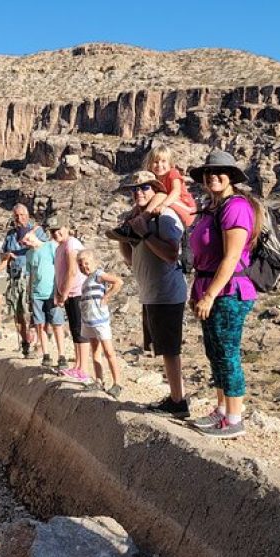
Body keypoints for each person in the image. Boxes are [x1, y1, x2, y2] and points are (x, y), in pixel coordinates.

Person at [187, 150, 261, 439]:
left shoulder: (236, 207)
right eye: (208, 172)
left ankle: (234, 418)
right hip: (210, 289)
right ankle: (220, 410)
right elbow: (202, 258)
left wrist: (210, 295)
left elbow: (230, 259)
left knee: (227, 352)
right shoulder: (212, 207)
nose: (213, 176)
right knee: (214, 351)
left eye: (220, 171)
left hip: (230, 292)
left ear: (231, 176)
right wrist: (199, 293)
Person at [116, 171, 188, 416]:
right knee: (164, 348)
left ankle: (179, 402)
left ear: (155, 189)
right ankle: (175, 397)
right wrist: (123, 238)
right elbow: (130, 260)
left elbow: (171, 254)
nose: (138, 192)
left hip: (167, 292)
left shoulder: (164, 217)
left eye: (144, 188)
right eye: (134, 189)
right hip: (151, 293)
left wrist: (145, 233)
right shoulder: (139, 220)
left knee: (170, 349)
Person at [106, 144, 196, 242]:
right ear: (150, 164)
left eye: (163, 161)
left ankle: (142, 220)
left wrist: (163, 205)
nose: (159, 165)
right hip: (173, 204)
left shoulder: (172, 173)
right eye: (155, 162)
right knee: (138, 207)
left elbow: (176, 191)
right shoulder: (155, 179)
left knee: (160, 196)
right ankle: (127, 227)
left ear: (171, 164)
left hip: (188, 209)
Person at [47, 214, 90, 383]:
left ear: (66, 228)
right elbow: (60, 272)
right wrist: (59, 292)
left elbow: (73, 271)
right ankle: (78, 366)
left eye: (58, 230)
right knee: (74, 330)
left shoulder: (71, 244)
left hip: (77, 292)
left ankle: (84, 369)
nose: (56, 233)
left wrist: (63, 293)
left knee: (80, 330)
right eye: (53, 231)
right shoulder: (59, 248)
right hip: (69, 294)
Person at [1, 204, 49, 357]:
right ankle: (25, 342)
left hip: (32, 275)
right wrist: (8, 256)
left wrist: (31, 244)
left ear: (28, 215)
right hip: (15, 276)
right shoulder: (10, 235)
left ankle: (40, 345)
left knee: (36, 311)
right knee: (18, 311)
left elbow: (45, 249)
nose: (19, 218)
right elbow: (3, 253)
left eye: (22, 215)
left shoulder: (37, 231)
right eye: (16, 216)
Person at [77, 248, 124, 397]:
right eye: (81, 265)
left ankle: (117, 383)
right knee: (95, 350)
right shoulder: (86, 281)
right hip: (89, 320)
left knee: (108, 351)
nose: (84, 267)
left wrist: (107, 296)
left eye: (86, 264)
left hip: (100, 319)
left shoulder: (98, 275)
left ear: (94, 262)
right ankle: (99, 380)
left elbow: (118, 281)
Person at [22, 230, 67, 369]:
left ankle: (62, 355)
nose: (26, 241)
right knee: (40, 324)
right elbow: (29, 275)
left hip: (52, 292)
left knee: (57, 324)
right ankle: (46, 354)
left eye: (28, 238)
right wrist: (29, 295)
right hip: (37, 294)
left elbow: (59, 267)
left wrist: (59, 291)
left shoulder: (50, 246)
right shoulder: (29, 254)